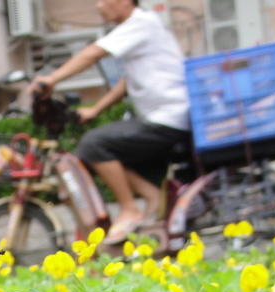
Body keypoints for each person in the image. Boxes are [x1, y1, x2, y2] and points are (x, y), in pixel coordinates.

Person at [32, 0, 191, 243]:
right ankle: (151, 197)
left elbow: (93, 52)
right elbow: (126, 82)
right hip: (164, 117)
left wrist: (52, 79)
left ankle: (129, 210)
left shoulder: (141, 23)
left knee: (93, 145)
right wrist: (95, 109)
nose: (98, 5)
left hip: (168, 118)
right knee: (103, 150)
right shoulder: (143, 27)